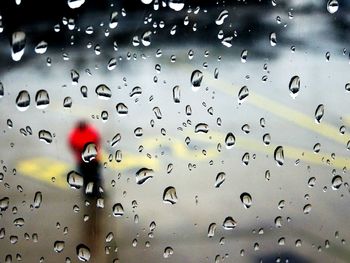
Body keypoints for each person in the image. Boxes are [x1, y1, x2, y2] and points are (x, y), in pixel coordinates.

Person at [68, 120, 102, 199]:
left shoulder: (75, 133)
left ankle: (92, 192)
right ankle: (93, 192)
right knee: (92, 177)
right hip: (90, 159)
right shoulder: (90, 131)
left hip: (87, 160)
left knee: (92, 177)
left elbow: (73, 144)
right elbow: (97, 140)